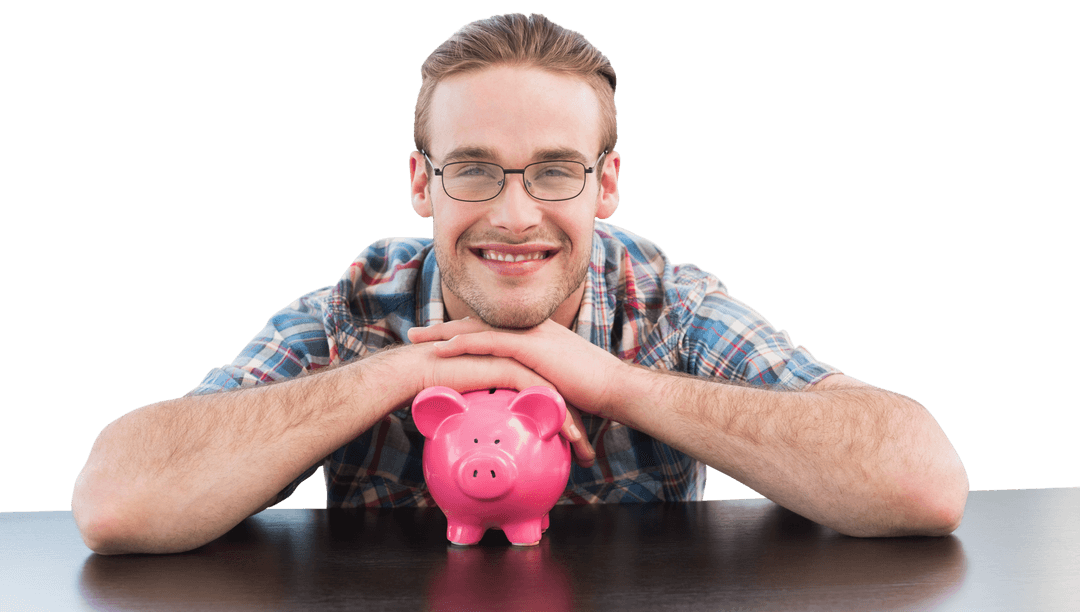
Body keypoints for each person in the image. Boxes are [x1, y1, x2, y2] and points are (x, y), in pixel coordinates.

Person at [72, 12, 969, 555]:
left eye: (553, 171)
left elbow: (921, 479)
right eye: (473, 171)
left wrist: (615, 385)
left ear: (606, 184)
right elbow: (114, 500)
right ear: (421, 182)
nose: (513, 215)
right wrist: (401, 374)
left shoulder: (669, 305)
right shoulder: (357, 311)